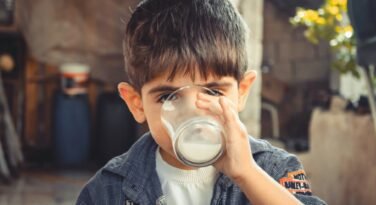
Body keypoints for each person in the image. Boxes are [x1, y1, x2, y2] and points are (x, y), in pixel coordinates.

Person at [76, 0, 326, 204]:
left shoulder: (273, 169)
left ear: (241, 92)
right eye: (167, 96)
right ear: (136, 103)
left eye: (213, 92)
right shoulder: (107, 191)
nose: (192, 111)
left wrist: (247, 174)